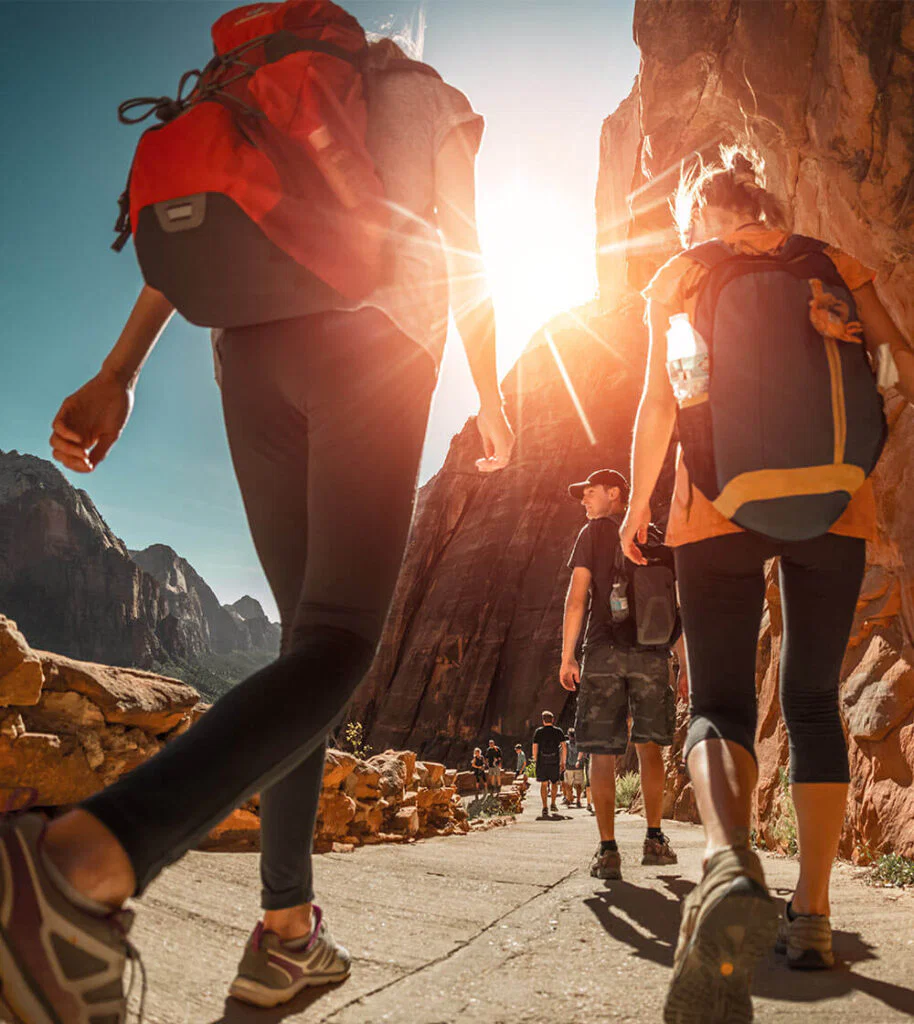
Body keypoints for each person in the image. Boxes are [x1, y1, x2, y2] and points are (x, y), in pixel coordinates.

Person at [1, 23, 515, 1023]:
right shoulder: (417, 87)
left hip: (245, 353)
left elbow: (197, 236)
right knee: (337, 643)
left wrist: (118, 373)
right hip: (371, 342)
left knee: (300, 649)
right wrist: (490, 398)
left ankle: (287, 933)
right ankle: (77, 866)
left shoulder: (248, 79)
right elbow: (463, 247)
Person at [621, 145, 914, 1024]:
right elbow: (900, 370)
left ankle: (726, 862)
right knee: (815, 699)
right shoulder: (833, 262)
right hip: (836, 500)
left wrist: (640, 507)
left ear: (696, 215)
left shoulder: (680, 275)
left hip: (715, 501)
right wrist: (859, 456)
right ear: (765, 198)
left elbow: (661, 404)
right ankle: (814, 915)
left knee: (717, 700)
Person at [560, 468, 678, 881]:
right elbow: (673, 604)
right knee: (650, 749)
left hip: (604, 653)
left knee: (602, 752)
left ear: (615, 493)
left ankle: (608, 850)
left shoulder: (592, 535)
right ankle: (655, 839)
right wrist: (682, 664)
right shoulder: (656, 534)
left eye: (589, 492)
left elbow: (577, 600)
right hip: (652, 655)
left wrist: (567, 657)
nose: (584, 500)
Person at [531, 711, 566, 819]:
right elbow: (564, 747)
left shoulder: (538, 732)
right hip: (554, 761)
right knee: (554, 783)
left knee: (544, 784)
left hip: (542, 761)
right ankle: (553, 803)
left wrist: (536, 760)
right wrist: (563, 761)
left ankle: (545, 806)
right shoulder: (558, 731)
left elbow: (535, 747)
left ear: (543, 720)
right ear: (553, 719)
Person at [562, 726, 585, 807]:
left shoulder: (566, 744)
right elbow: (583, 754)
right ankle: (578, 800)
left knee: (568, 784)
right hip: (579, 766)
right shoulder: (580, 744)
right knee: (578, 784)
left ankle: (569, 799)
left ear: (568, 735)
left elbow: (564, 754)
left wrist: (564, 763)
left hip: (569, 766)